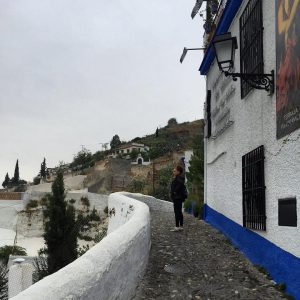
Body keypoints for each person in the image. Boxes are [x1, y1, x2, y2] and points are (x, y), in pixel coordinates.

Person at [170, 165, 185, 232]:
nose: (173, 171)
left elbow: (178, 186)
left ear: (178, 172)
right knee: (179, 212)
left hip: (177, 198)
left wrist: (174, 192)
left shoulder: (178, 178)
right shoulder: (180, 178)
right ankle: (181, 226)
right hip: (179, 197)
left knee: (177, 212)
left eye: (174, 171)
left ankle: (177, 226)